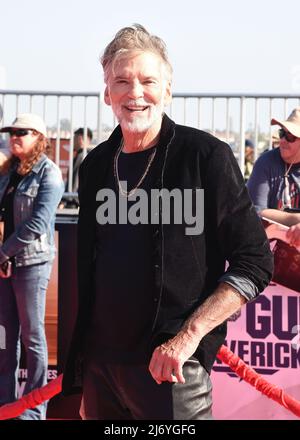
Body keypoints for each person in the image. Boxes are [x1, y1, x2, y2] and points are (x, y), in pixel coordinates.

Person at [62, 24, 273, 420]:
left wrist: (187, 338)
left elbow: (254, 262)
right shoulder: (93, 166)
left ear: (168, 90)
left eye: (148, 80)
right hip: (102, 369)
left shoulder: (205, 157)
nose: (135, 93)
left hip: (172, 369)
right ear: (107, 93)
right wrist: (87, 366)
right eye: (122, 81)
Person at [0, 113, 64, 419]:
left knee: (32, 336)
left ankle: (34, 409)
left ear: (39, 136)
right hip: (5, 263)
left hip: (31, 263)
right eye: (11, 132)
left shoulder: (49, 174)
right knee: (4, 335)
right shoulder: (7, 172)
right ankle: (5, 404)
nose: (14, 137)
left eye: (21, 132)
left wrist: (4, 252)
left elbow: (38, 223)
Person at [248, 107, 300, 249]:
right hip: (271, 246)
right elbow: (254, 210)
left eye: (290, 136)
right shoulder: (266, 162)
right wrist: (294, 219)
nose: (282, 140)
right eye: (282, 133)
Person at [61, 127, 93, 209]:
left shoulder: (81, 156)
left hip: (74, 202)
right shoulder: (91, 155)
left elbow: (74, 181)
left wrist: (67, 199)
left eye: (74, 138)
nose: (73, 142)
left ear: (80, 138)